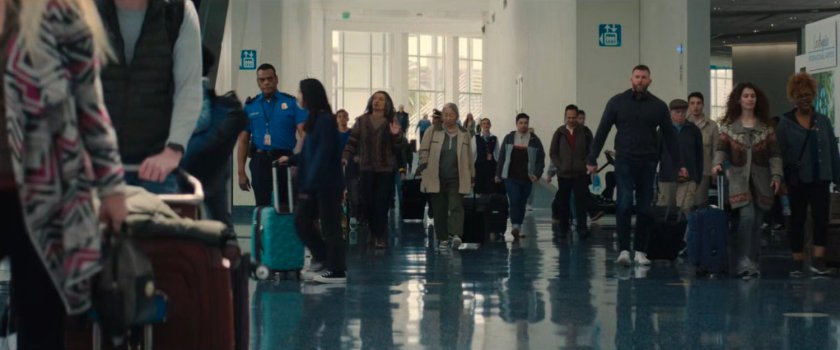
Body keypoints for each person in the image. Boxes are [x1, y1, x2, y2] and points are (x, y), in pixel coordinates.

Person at [2, 0, 127, 347]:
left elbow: (90, 106)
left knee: (41, 324)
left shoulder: (58, 13)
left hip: (48, 195)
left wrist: (112, 188)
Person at [97, 0, 202, 194]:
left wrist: (173, 150)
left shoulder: (177, 10)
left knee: (161, 221)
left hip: (156, 167)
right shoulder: (83, 9)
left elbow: (188, 88)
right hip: (95, 164)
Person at [587, 65, 681, 267]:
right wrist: (592, 157)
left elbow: (670, 138)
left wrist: (680, 164)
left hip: (648, 162)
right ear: (631, 79)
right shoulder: (616, 102)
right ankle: (623, 250)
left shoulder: (659, 106)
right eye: (637, 77)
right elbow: (602, 130)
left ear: (649, 81)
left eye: (644, 77)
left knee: (645, 208)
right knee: (624, 203)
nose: (640, 80)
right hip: (624, 161)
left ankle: (640, 251)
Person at [711, 82, 782, 279]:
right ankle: (743, 260)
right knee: (747, 217)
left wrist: (776, 176)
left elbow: (775, 155)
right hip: (739, 181)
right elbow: (721, 149)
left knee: (757, 222)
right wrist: (717, 165)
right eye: (746, 96)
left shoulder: (766, 129)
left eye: (753, 96)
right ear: (739, 100)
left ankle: (752, 260)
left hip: (762, 181)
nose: (750, 99)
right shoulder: (729, 128)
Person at [279, 78, 345, 283]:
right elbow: (310, 153)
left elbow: (322, 155)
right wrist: (290, 159)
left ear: (309, 95)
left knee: (329, 226)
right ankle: (325, 259)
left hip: (325, 184)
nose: (298, 96)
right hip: (318, 182)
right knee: (304, 222)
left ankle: (336, 270)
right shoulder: (316, 119)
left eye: (300, 92)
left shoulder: (325, 120)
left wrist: (309, 184)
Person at [777, 72, 840, 277]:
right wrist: (781, 180)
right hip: (797, 180)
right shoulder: (786, 123)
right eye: (800, 95)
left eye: (807, 95)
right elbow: (780, 154)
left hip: (821, 177)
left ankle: (819, 261)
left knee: (821, 219)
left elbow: (832, 150)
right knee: (797, 220)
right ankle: (797, 262)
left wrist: (837, 178)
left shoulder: (823, 121)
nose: (804, 99)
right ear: (793, 97)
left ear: (813, 95)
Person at [236, 63, 308, 207]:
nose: (266, 82)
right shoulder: (251, 106)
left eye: (270, 78)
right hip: (260, 160)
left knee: (285, 204)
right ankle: (263, 229)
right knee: (262, 205)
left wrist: (302, 161)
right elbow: (243, 141)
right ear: (258, 82)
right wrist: (241, 173)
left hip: (285, 160)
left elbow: (305, 134)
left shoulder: (292, 103)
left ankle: (283, 229)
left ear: (276, 79)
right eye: (262, 80)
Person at [342, 91, 403, 249]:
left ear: (387, 103)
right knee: (367, 201)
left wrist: (396, 135)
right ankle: (371, 230)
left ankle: (378, 236)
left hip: (386, 169)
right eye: (375, 98)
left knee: (381, 203)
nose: (377, 101)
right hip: (366, 167)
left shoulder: (392, 121)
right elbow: (352, 141)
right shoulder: (361, 121)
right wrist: (345, 156)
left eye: (381, 99)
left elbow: (398, 147)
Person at [417, 103, 475, 249]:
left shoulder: (464, 133)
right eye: (446, 115)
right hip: (436, 176)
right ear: (442, 116)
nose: (448, 118)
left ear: (457, 116)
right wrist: (424, 168)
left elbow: (469, 157)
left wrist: (472, 175)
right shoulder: (432, 131)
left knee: (456, 206)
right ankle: (442, 237)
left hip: (457, 177)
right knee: (439, 208)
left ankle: (455, 235)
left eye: (451, 115)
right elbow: (423, 150)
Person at [549, 105, 600, 238]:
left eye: (573, 117)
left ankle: (582, 228)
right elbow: (553, 152)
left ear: (577, 117)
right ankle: (563, 229)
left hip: (580, 173)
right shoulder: (559, 132)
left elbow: (592, 150)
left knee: (581, 202)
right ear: (565, 116)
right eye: (569, 117)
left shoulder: (586, 132)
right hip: (564, 174)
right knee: (563, 202)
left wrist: (587, 163)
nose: (571, 120)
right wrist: (560, 166)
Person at [496, 113, 546, 239]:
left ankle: (519, 225)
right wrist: (498, 174)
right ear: (516, 124)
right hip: (511, 177)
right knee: (514, 199)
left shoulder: (534, 140)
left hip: (527, 178)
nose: (523, 125)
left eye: (526, 123)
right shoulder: (509, 138)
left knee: (522, 202)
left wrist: (537, 174)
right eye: (521, 123)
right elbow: (502, 156)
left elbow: (541, 157)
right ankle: (515, 226)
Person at [656, 99, 703, 215]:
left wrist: (697, 178)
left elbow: (700, 156)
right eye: (677, 112)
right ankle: (667, 233)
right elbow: (656, 153)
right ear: (670, 112)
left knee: (685, 209)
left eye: (683, 112)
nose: (680, 115)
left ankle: (685, 233)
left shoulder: (694, 130)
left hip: (688, 177)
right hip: (667, 177)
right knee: (665, 210)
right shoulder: (662, 130)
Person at [686, 92, 719, 207]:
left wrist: (715, 168)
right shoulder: (683, 124)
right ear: (688, 105)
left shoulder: (712, 126)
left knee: (700, 203)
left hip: (704, 170)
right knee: (684, 204)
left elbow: (716, 149)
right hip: (685, 171)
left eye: (698, 103)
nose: (695, 106)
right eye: (692, 103)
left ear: (703, 105)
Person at [473, 118, 500, 195]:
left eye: (488, 123)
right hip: (479, 166)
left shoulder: (494, 138)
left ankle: (489, 205)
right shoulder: (476, 138)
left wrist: (498, 170)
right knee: (479, 188)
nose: (486, 125)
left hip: (491, 167)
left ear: (490, 125)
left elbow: (497, 154)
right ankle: (481, 205)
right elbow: (473, 153)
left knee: (490, 188)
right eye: (484, 123)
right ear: (481, 125)